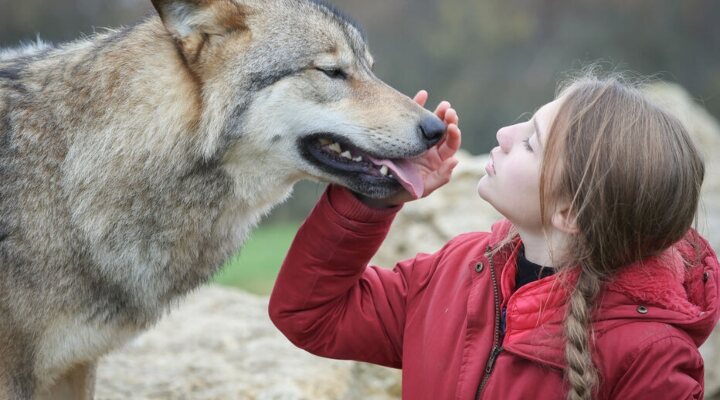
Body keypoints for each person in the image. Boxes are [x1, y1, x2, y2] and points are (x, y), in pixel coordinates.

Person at [268, 74, 720, 400]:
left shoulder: (651, 360)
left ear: (569, 212)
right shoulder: (457, 271)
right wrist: (378, 192)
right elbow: (310, 314)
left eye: (531, 143)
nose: (504, 134)